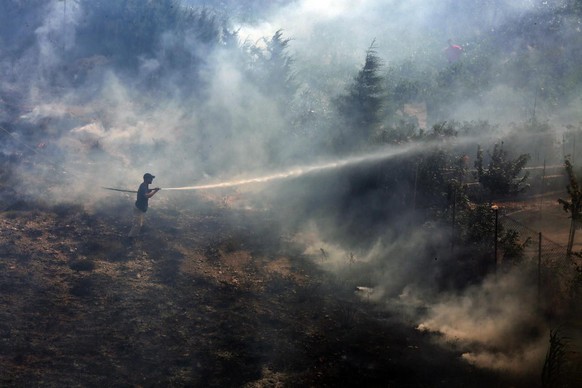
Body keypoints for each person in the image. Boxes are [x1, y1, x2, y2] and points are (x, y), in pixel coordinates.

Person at [128, 173, 160, 238]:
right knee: (137, 225)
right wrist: (155, 191)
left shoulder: (145, 185)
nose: (152, 180)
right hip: (138, 209)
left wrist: (152, 189)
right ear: (146, 179)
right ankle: (130, 238)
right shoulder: (143, 186)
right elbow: (147, 196)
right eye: (151, 178)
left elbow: (146, 191)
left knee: (139, 224)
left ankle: (134, 236)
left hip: (140, 208)